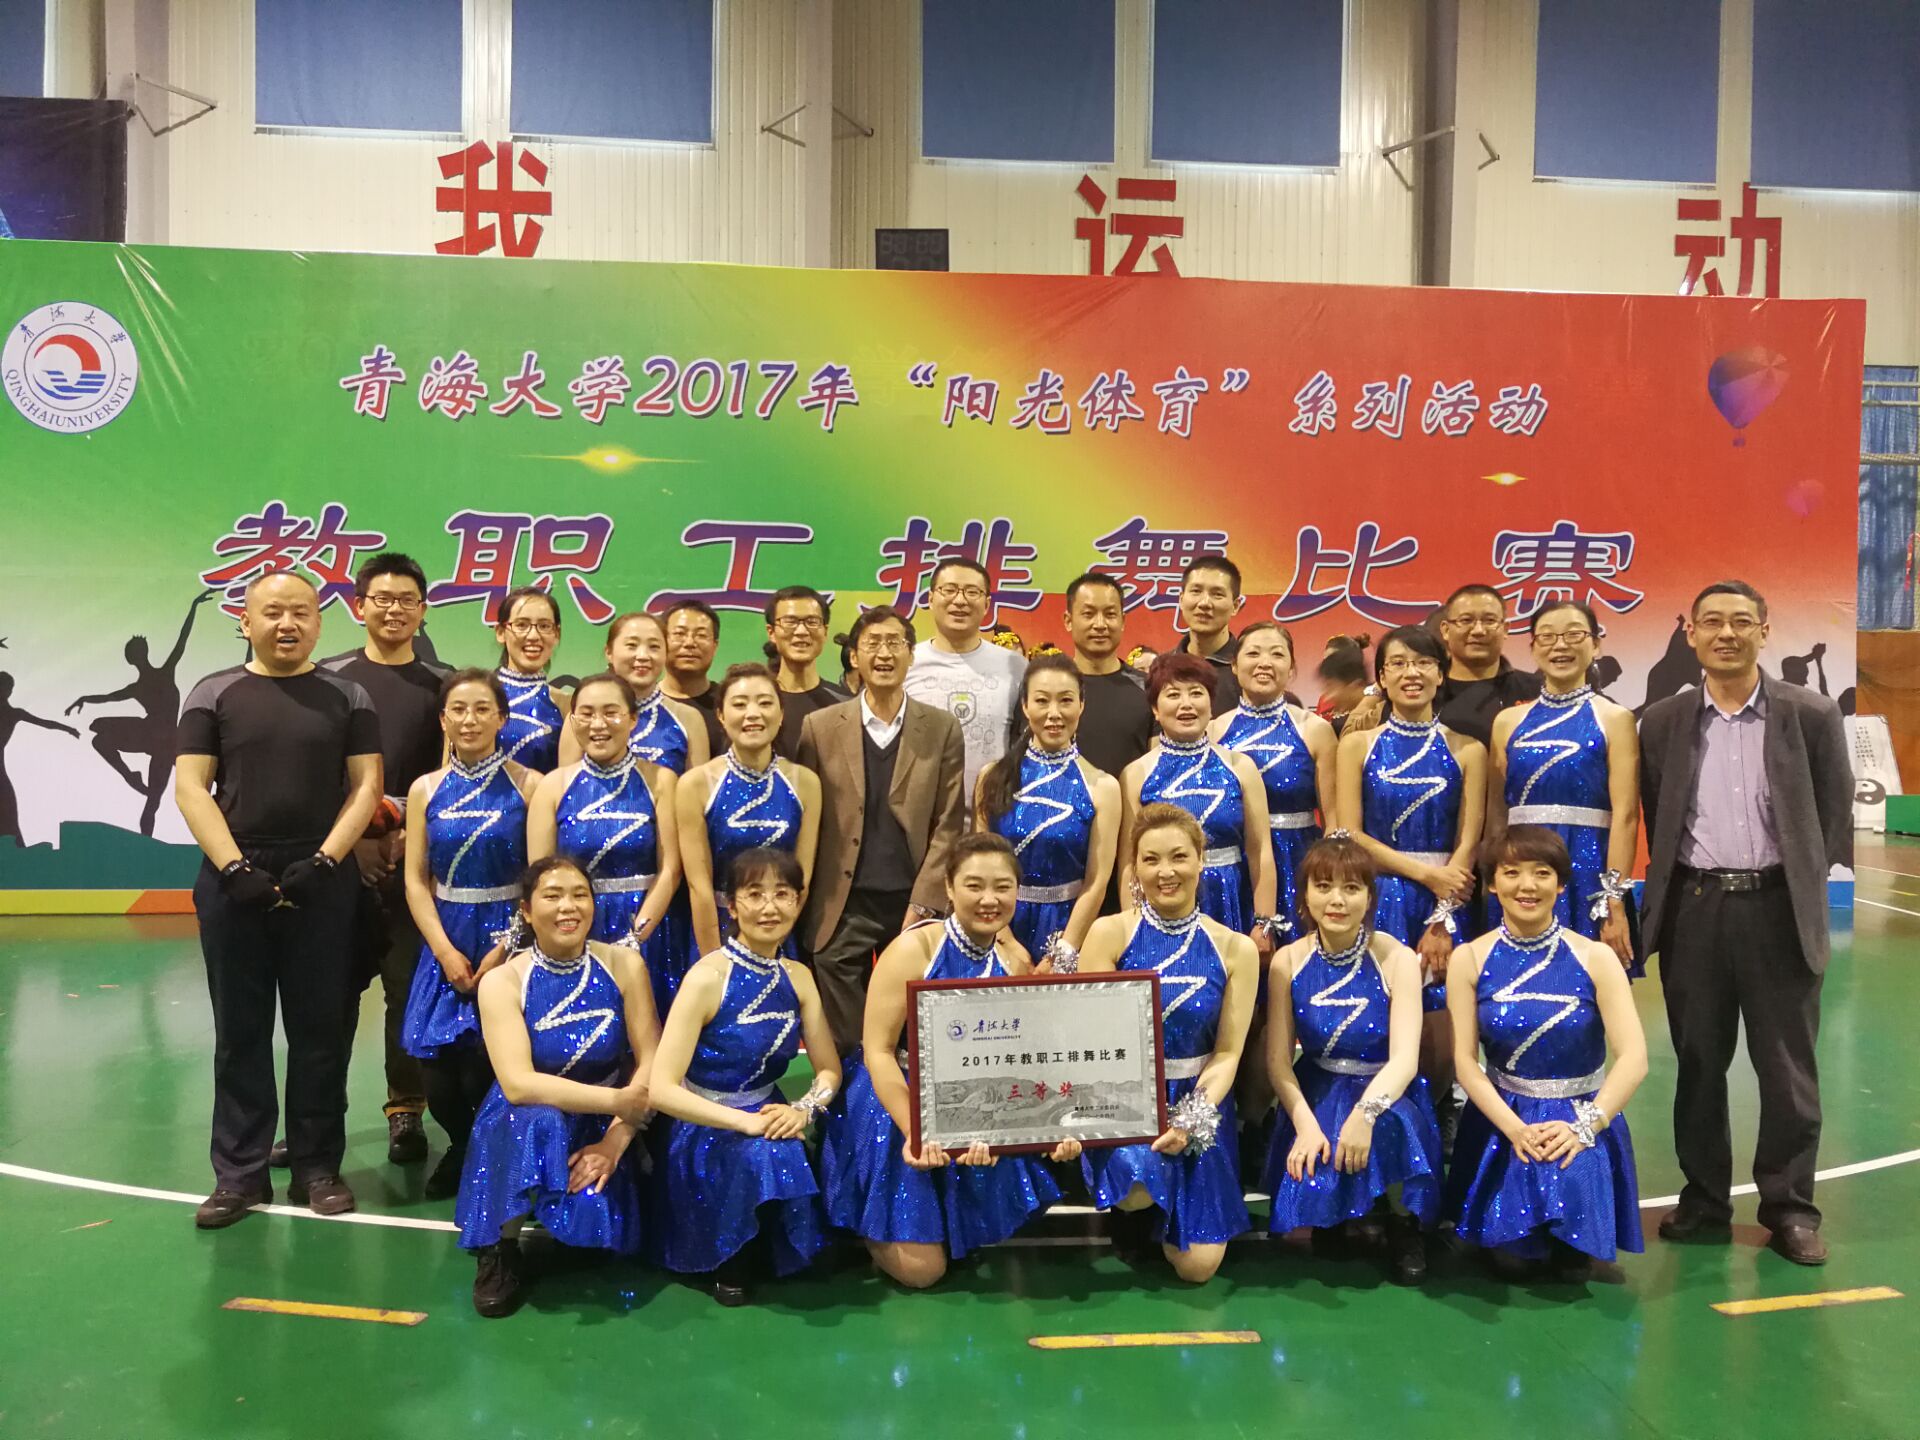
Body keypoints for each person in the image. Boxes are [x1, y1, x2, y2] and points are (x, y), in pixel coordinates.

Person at [1640, 580, 1851, 1267]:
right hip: (1695, 911)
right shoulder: (1664, 721)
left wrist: (1795, 886)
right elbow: (1658, 811)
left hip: (1778, 909)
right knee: (1699, 1062)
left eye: (1740, 621)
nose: (1725, 634)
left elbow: (1832, 814)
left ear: (1764, 629)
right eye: (1711, 622)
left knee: (1787, 1069)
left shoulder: (1812, 714)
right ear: (1691, 633)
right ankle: (1704, 1200)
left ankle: (1790, 1208)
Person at [174, 571, 383, 1226]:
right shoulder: (212, 692)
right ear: (246, 621)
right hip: (235, 878)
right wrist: (234, 868)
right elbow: (191, 787)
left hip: (321, 876)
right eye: (272, 612)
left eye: (300, 612)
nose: (286, 623)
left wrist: (327, 860)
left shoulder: (348, 696)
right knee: (240, 1033)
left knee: (320, 1031)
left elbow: (367, 785)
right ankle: (239, 1175)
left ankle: (318, 1167)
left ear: (319, 622)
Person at [822, 834, 1083, 1288]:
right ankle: (866, 1222)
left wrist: (1050, 1130)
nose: (989, 899)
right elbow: (878, 1051)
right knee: (922, 1273)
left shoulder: (1013, 963)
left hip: (975, 1102)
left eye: (1002, 887)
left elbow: (1022, 1062)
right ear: (948, 887)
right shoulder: (914, 950)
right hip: (897, 1095)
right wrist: (916, 1131)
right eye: (974, 885)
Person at [457, 856, 658, 1315]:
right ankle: (501, 1246)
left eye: (579, 895)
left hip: (602, 1123)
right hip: (526, 1117)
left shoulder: (624, 964)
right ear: (527, 911)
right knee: (536, 1119)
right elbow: (518, 1085)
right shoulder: (503, 981)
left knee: (595, 1238)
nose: (568, 907)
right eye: (553, 896)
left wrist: (614, 1141)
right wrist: (618, 1101)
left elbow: (652, 1060)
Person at [1446, 826, 1647, 1278]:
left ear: (1560, 884)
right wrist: (1514, 1129)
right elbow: (1465, 1062)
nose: (1527, 886)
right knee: (1512, 1264)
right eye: (1511, 873)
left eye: (1541, 873)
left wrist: (1585, 1126)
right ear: (1492, 884)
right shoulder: (1469, 959)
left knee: (1572, 1266)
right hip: (1502, 1121)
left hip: (1580, 1118)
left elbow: (1634, 1058)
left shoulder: (1596, 957)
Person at [649, 847, 842, 1305]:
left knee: (781, 1146)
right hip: (702, 1125)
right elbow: (661, 1090)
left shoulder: (799, 976)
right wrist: (746, 1122)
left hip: (768, 1111)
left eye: (782, 894)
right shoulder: (706, 977)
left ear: (798, 901)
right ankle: (729, 1254)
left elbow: (829, 1069)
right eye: (755, 894)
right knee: (766, 1152)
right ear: (732, 906)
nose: (769, 907)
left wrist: (804, 1109)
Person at [1079, 805, 1260, 1282]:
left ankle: (1172, 1206)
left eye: (1179, 857)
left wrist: (1190, 1120)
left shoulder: (1235, 949)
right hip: (1125, 1101)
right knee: (1137, 1188)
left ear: (1201, 859)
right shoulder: (1110, 934)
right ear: (1135, 868)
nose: (1166, 872)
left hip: (1198, 1099)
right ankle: (1136, 1210)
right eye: (1151, 859)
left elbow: (1227, 1054)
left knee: (1199, 1268)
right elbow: (1087, 1041)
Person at [319, 552, 446, 1166]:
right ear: (359, 606)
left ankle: (406, 1113)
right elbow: (314, 770)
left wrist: (406, 839)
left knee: (405, 993)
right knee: (330, 996)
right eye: (383, 599)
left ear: (423, 610)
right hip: (340, 864)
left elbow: (455, 775)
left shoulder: (446, 685)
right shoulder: (328, 680)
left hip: (414, 869)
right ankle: (319, 1119)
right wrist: (357, 843)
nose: (395, 610)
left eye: (407, 600)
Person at [1264, 835, 1439, 1284]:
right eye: (1323, 886)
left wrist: (1365, 1113)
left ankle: (1403, 1222)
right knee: (1322, 1168)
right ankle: (1340, 1212)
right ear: (1304, 895)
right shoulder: (1287, 961)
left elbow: (1405, 1060)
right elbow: (1279, 1063)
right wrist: (1306, 1125)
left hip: (1385, 1088)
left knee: (1392, 1124)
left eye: (1351, 888)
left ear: (1369, 897)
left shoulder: (1398, 957)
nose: (1337, 900)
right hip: (1318, 1087)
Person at [797, 606, 966, 1052]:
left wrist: (925, 902)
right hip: (842, 904)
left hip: (912, 902)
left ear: (911, 655)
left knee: (915, 1035)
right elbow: (808, 819)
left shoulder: (941, 728)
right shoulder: (819, 728)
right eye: (872, 643)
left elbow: (949, 822)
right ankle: (854, 1097)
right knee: (849, 1040)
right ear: (854, 656)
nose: (884, 653)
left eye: (895, 643)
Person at [400, 669, 540, 1198]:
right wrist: (443, 950)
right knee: (437, 1066)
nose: (470, 719)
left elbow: (538, 879)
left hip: (511, 937)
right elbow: (415, 880)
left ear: (502, 718)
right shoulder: (425, 789)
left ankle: (494, 1160)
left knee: (491, 1059)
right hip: (448, 935)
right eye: (458, 709)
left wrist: (507, 947)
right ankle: (463, 1146)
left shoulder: (530, 785)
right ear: (443, 720)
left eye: (483, 709)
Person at [1337, 626, 1485, 1020]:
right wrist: (1427, 875)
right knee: (1377, 1017)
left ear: (1441, 673)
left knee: (1443, 1020)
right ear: (1382, 677)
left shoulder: (1469, 749)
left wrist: (1442, 913)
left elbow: (1468, 842)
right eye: (1399, 664)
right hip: (1378, 897)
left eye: (1423, 663)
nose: (1412, 673)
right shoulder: (1356, 745)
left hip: (1447, 900)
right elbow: (1350, 835)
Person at [1487, 601, 1640, 972]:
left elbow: (1625, 815)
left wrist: (1613, 898)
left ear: (1595, 645)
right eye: (1548, 636)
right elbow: (1496, 815)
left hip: (1586, 869)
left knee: (1587, 980)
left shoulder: (1614, 718)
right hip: (1518, 866)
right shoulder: (1507, 721)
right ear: (1533, 647)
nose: (1560, 645)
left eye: (1574, 635)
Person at [528, 672, 682, 1014]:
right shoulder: (552, 787)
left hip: (649, 929)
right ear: (572, 720)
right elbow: (539, 879)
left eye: (611, 712)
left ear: (633, 719)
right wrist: (568, 931)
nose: (598, 724)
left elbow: (671, 869)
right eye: (586, 713)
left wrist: (635, 938)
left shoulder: (661, 781)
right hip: (574, 928)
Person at [1121, 653, 1275, 946]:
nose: (1186, 704)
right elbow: (1130, 864)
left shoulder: (1241, 767)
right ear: (1155, 709)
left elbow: (1260, 850)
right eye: (1173, 695)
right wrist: (1133, 926)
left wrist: (1264, 922)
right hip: (1163, 899)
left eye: (1196, 693)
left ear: (1211, 703)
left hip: (1229, 897)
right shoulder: (1136, 774)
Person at [975, 657, 1120, 966]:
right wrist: (1004, 941)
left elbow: (1096, 882)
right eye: (1042, 701)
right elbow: (979, 867)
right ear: (1025, 706)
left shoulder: (1103, 787)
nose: (1054, 713)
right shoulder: (992, 777)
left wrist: (1063, 952)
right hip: (996, 924)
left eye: (1065, 700)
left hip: (1070, 930)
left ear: (1081, 705)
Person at [676, 663, 821, 955]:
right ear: (721, 715)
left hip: (780, 934)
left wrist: (772, 940)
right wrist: (714, 962)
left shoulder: (805, 783)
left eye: (765, 703)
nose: (752, 713)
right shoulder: (695, 784)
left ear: (781, 714)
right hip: (716, 931)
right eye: (740, 704)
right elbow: (699, 887)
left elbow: (801, 881)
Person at [1213, 622, 1336, 945]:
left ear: (1292, 669)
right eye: (1253, 653)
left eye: (1277, 655)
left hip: (1299, 861)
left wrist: (1330, 880)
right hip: (1236, 865)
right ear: (1234, 666)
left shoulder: (1315, 730)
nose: (1264, 663)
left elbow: (1334, 822)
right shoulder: (1214, 731)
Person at [66, 586, 216, 836]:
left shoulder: (163, 673)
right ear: (135, 658)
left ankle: (147, 827)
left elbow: (182, 639)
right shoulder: (140, 686)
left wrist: (194, 607)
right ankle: (130, 777)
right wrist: (85, 698)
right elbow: (108, 698)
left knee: (155, 799)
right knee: (99, 734)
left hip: (166, 741)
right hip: (150, 734)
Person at [901, 556, 1027, 798]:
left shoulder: (1014, 666)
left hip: (993, 809)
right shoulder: (908, 662)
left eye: (972, 592)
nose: (960, 600)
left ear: (987, 604)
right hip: (921, 810)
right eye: (949, 590)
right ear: (930, 598)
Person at [1062, 572, 1152, 781]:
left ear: (1123, 621)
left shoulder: (1149, 688)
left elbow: (1157, 764)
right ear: (1068, 620)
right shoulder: (1049, 690)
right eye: (1088, 614)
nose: (1100, 624)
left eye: (1110, 614)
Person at [763, 585, 850, 760]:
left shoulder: (846, 705)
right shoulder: (757, 703)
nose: (801, 631)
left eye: (812, 622)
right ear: (771, 632)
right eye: (790, 622)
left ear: (825, 632)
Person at [493, 585, 570, 774]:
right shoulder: (474, 695)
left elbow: (568, 779)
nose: (534, 636)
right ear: (501, 632)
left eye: (544, 626)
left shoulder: (566, 705)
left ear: (556, 634)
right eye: (521, 625)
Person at [0, 671, 80, 843]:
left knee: (7, 810)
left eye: (7, 687)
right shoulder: (13, 713)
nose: (5, 691)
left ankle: (16, 848)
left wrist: (67, 729)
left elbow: (45, 723)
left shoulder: (14, 713)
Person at [1174, 555, 1247, 712]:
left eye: (1217, 594)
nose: (1204, 603)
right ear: (1181, 599)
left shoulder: (1247, 670)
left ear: (1235, 606)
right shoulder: (1163, 668)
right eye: (1196, 591)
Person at [662, 600, 727, 756]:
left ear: (715, 646)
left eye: (701, 635)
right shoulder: (643, 704)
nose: (690, 643)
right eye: (679, 634)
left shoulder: (729, 704)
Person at [1314, 642, 1372, 738]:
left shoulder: (1383, 715)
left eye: (1331, 687)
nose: (1327, 698)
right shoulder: (1335, 722)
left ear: (1357, 685)